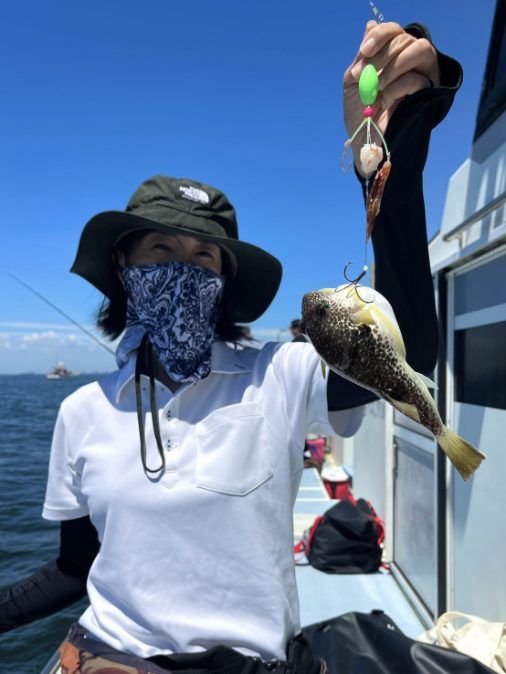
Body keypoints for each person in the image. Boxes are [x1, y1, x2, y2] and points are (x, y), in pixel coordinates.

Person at [0, 20, 462, 674]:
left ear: (225, 283)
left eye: (203, 257)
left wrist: (392, 159)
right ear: (124, 269)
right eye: (160, 249)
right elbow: (76, 567)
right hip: (107, 657)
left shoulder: (283, 376)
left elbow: (406, 355)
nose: (181, 269)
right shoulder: (80, 412)